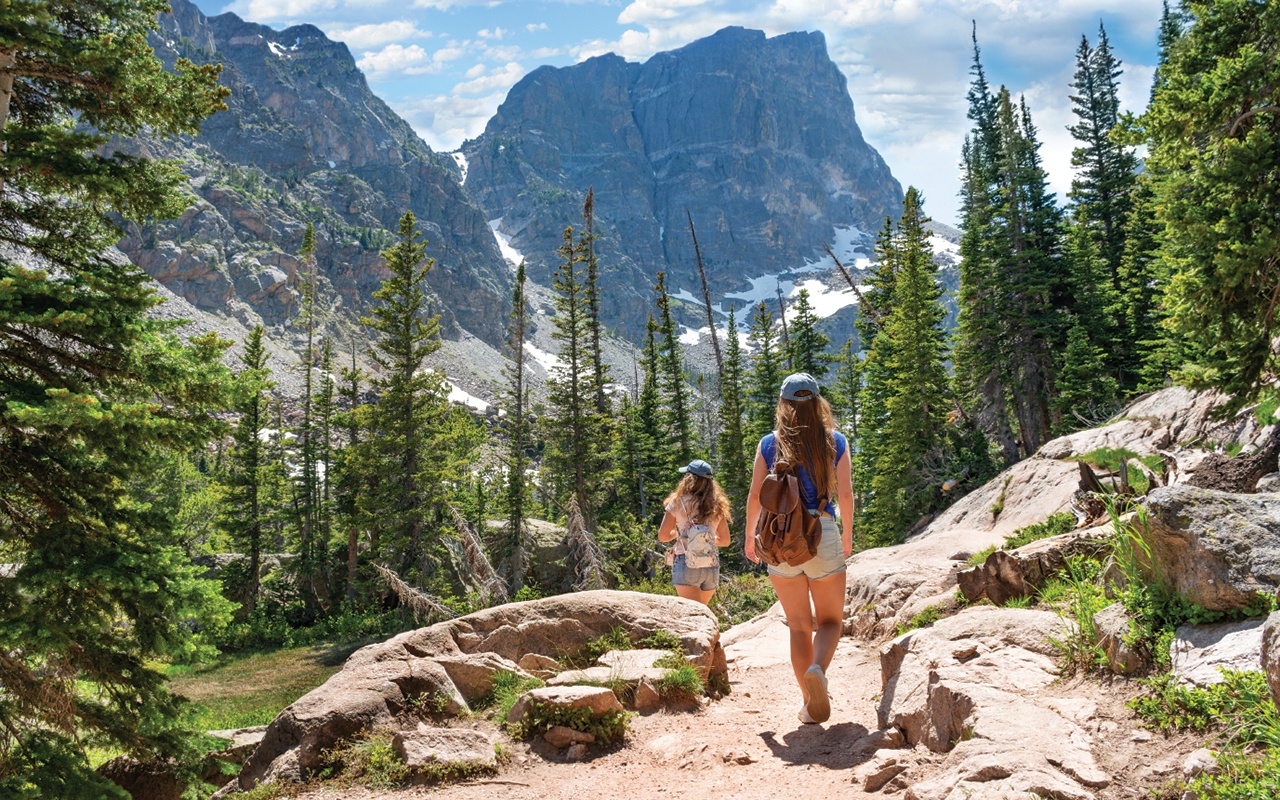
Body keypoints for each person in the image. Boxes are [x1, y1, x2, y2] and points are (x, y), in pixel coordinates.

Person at [745, 372, 854, 725]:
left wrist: (750, 538)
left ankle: (809, 704)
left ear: (783, 404)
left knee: (798, 626)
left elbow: (755, 496)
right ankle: (817, 669)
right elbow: (845, 494)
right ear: (818, 403)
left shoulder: (769, 443)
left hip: (781, 539)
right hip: (822, 532)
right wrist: (847, 536)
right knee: (830, 621)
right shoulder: (835, 441)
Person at [657, 459, 732, 605]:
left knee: (693, 614)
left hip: (686, 562)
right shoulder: (717, 505)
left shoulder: (678, 502)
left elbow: (663, 536)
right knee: (703, 610)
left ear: (688, 479)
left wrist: (682, 535)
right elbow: (725, 541)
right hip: (710, 564)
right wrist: (704, 539)